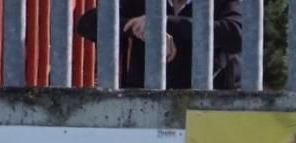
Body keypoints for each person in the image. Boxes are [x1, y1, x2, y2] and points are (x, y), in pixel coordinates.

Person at [75, 0, 243, 89]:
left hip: (211, 102)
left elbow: (238, 34)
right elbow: (87, 23)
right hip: (146, 102)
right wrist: (140, 29)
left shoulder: (221, 1)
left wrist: (164, 23)